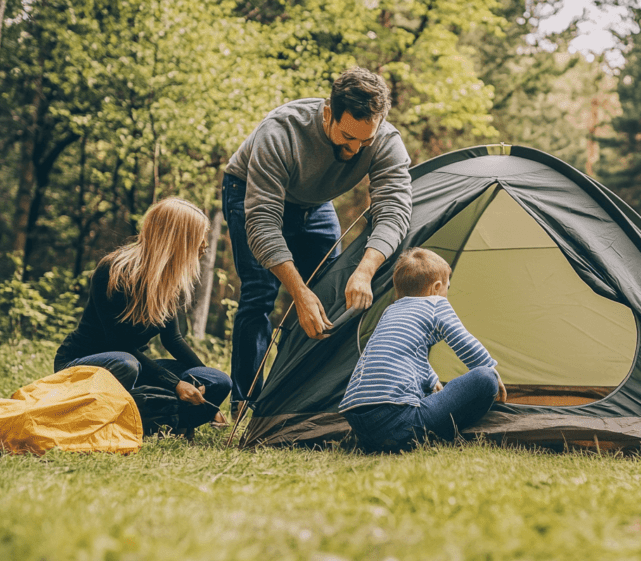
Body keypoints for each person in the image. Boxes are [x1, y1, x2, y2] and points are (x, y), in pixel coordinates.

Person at [222, 66, 413, 409]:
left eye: (365, 141)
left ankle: (298, 397)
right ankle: (247, 403)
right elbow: (264, 222)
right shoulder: (280, 132)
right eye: (347, 137)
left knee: (328, 293)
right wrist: (298, 291)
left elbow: (394, 208)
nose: (355, 150)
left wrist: (365, 270)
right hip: (251, 193)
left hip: (313, 201)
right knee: (260, 295)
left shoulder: (385, 139)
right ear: (328, 114)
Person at [54, 197, 232, 432]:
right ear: (177, 238)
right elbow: (119, 343)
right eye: (198, 237)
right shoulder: (113, 271)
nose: (204, 245)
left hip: (137, 367)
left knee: (218, 380)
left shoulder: (169, 281)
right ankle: (136, 417)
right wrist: (175, 384)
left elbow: (173, 340)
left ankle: (161, 424)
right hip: (86, 364)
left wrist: (205, 392)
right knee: (126, 364)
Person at [338, 248, 507, 452]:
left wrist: (432, 378)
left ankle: (383, 441)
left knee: (429, 390)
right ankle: (438, 434)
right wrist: (491, 371)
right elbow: (462, 340)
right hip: (400, 422)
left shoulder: (390, 311)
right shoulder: (436, 304)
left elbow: (406, 353)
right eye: (447, 288)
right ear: (436, 287)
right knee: (484, 378)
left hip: (360, 425)